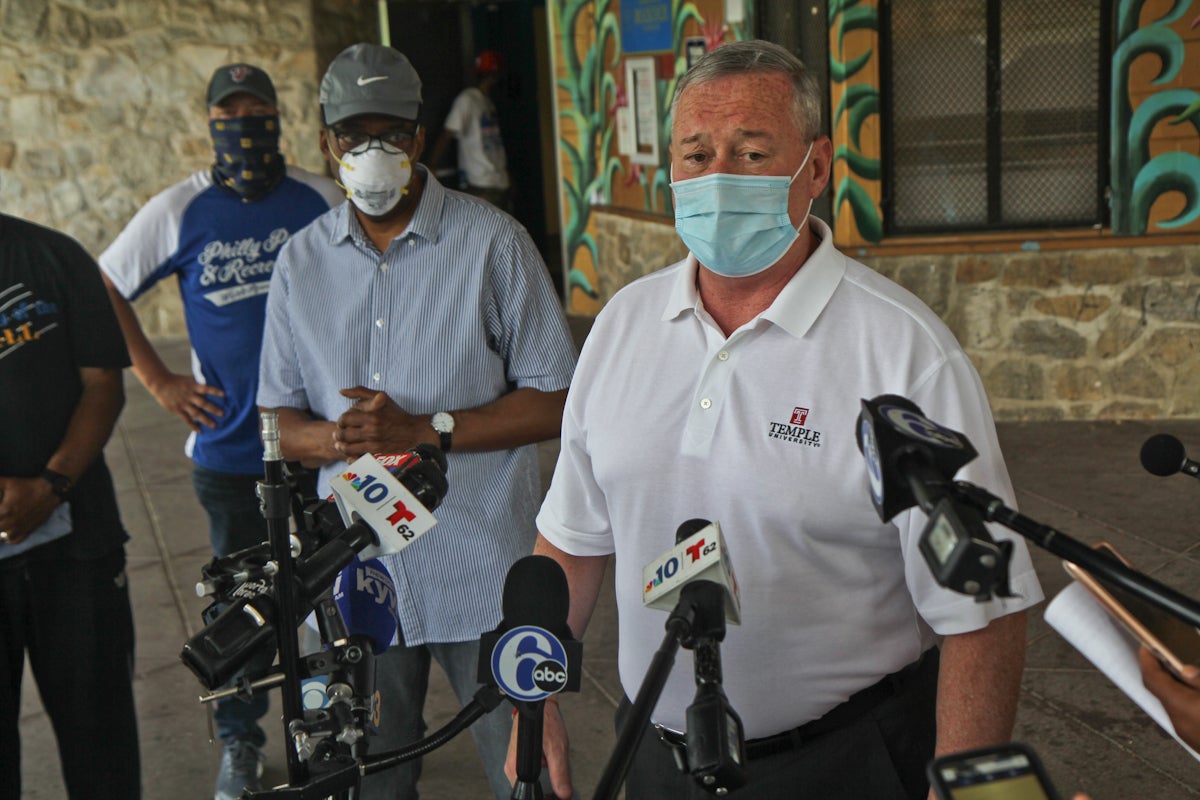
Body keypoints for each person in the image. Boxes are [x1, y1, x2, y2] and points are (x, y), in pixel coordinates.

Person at [516, 40, 1044, 799]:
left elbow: (984, 612)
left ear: (818, 168)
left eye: (752, 151)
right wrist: (532, 703)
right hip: (654, 759)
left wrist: (959, 787)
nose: (719, 176)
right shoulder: (622, 326)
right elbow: (571, 539)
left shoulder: (904, 354)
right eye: (696, 155)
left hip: (842, 763)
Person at [256, 43, 577, 800]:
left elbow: (559, 399)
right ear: (326, 142)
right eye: (352, 134)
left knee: (527, 775)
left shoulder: (494, 242)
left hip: (484, 571)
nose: (371, 153)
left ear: (422, 138)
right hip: (358, 577)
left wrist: (423, 431)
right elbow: (275, 419)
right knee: (368, 777)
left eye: (391, 134)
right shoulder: (300, 263)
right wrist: (343, 439)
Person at [96, 63, 344, 800]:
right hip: (231, 451)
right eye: (230, 112)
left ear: (278, 116)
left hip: (319, 445)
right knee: (241, 606)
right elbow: (103, 283)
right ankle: (241, 743)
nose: (246, 124)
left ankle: (330, 732)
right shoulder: (179, 210)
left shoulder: (318, 198)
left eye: (258, 109)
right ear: (210, 123)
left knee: (331, 595)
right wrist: (159, 379)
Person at [0, 213, 141, 799]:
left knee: (100, 743)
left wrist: (51, 484)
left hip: (76, 544)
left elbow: (103, 381)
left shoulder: (52, 256)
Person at [428, 49, 512, 211]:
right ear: (493, 77)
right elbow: (447, 133)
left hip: (498, 181)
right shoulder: (467, 100)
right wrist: (432, 165)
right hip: (480, 182)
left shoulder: (487, 103)